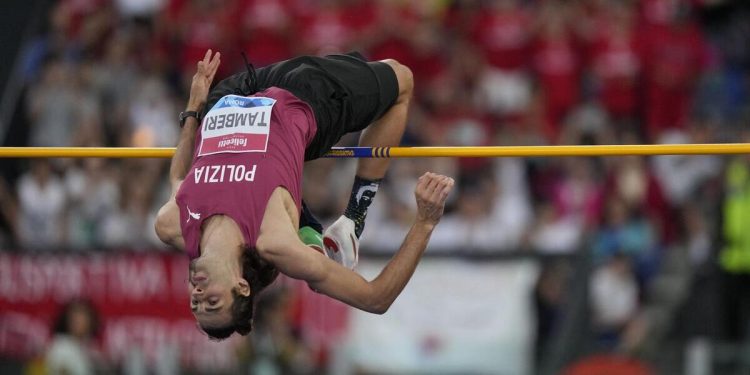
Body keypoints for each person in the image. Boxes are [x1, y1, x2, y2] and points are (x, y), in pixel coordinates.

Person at [154, 50, 454, 339]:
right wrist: (424, 223)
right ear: (241, 286)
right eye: (213, 303)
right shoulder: (274, 241)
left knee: (354, 65)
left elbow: (179, 176)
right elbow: (376, 299)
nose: (198, 296)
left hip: (228, 98)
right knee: (401, 78)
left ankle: (309, 225)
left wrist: (193, 108)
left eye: (196, 304)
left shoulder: (172, 225)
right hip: (302, 97)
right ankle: (354, 216)